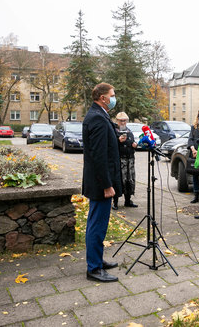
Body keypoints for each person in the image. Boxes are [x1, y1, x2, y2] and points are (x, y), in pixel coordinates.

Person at [82, 82, 122, 282]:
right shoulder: (97, 118)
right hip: (100, 184)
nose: (114, 98)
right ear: (103, 98)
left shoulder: (99, 115)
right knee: (97, 225)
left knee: (97, 224)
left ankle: (97, 260)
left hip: (98, 181)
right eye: (112, 95)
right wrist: (107, 185)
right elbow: (98, 156)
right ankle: (94, 269)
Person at [112, 112, 138, 210]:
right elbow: (111, 146)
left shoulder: (129, 132)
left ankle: (128, 200)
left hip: (130, 160)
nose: (123, 122)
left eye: (124, 121)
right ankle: (115, 202)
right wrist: (118, 141)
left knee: (129, 180)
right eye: (121, 121)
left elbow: (133, 144)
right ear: (117, 121)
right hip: (119, 160)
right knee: (119, 181)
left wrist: (134, 145)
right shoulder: (114, 132)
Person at [187, 109, 199, 204]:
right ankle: (196, 195)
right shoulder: (194, 126)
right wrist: (193, 149)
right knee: (195, 175)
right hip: (194, 153)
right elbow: (190, 139)